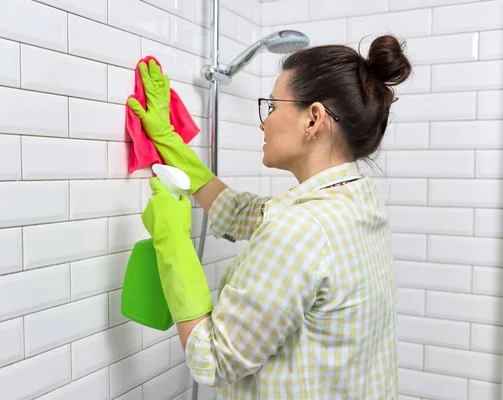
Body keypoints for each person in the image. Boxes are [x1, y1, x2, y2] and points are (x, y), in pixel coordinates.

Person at [127, 34, 412, 399]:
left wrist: (171, 241)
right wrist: (169, 142)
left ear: (313, 119)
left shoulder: (300, 229)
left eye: (273, 107)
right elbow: (245, 213)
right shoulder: (357, 200)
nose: (264, 123)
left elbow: (211, 360)